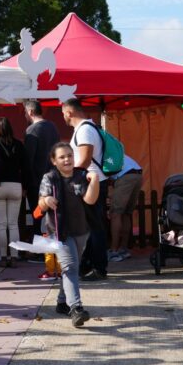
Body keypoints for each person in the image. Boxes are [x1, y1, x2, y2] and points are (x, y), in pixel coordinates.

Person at [37, 142, 100, 327]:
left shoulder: (80, 176)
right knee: (70, 267)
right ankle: (76, 308)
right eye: (62, 157)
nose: (67, 160)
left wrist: (94, 179)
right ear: (54, 161)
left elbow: (90, 199)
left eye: (69, 156)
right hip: (59, 231)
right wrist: (47, 200)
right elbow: (40, 204)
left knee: (71, 268)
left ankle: (62, 302)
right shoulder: (49, 178)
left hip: (81, 230)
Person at [62, 98, 108, 281]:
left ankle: (98, 267)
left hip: (91, 182)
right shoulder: (85, 128)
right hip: (91, 182)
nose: (63, 117)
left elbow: (85, 159)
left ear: (69, 112)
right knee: (90, 226)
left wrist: (72, 179)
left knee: (95, 227)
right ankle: (88, 265)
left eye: (63, 113)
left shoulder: (85, 130)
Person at [23, 101, 61, 280]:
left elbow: (28, 161)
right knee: (53, 220)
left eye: (25, 112)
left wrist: (25, 182)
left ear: (30, 112)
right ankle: (55, 258)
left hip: (37, 182)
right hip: (54, 179)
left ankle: (44, 256)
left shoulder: (32, 131)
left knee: (39, 217)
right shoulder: (53, 127)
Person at [0, 117, 25, 267]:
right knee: (13, 224)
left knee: (1, 225)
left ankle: (3, 257)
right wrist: (24, 186)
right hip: (16, 185)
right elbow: (25, 167)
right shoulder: (19, 145)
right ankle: (14, 257)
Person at [108, 155, 143, 262]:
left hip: (124, 175)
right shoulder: (110, 149)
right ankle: (124, 249)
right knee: (126, 213)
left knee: (116, 214)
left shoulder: (95, 153)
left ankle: (114, 252)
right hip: (137, 173)